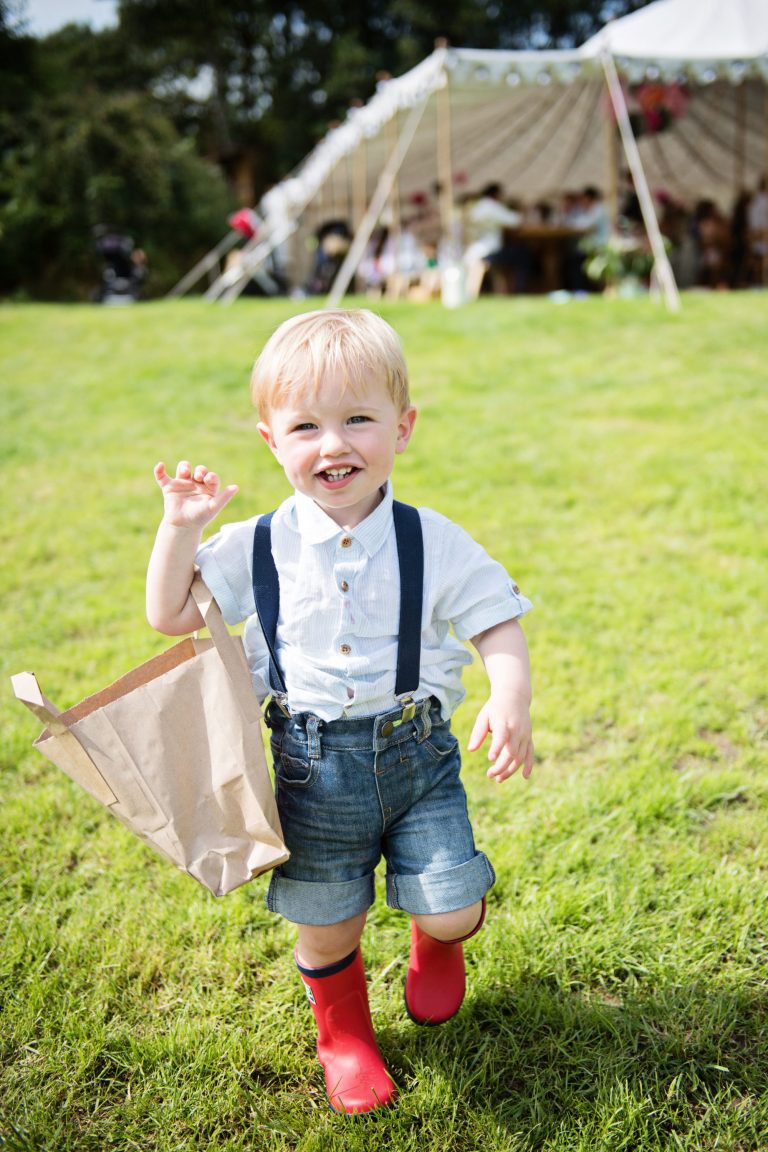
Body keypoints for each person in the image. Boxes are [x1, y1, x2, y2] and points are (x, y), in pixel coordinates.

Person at [146, 309, 534, 1115]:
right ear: (271, 440)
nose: (334, 445)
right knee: (328, 922)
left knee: (454, 906)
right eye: (306, 427)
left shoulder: (431, 539)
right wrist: (179, 531)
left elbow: (495, 617)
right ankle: (345, 1034)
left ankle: (439, 937)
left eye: (359, 419)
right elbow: (171, 615)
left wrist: (510, 695)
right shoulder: (258, 544)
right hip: (310, 769)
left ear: (403, 427)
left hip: (417, 757)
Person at [463, 182, 533, 295]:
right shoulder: (491, 207)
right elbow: (515, 221)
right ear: (496, 195)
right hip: (489, 252)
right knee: (524, 254)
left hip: (474, 251)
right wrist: (523, 210)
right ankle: (520, 291)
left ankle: (508, 290)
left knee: (517, 253)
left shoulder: (476, 208)